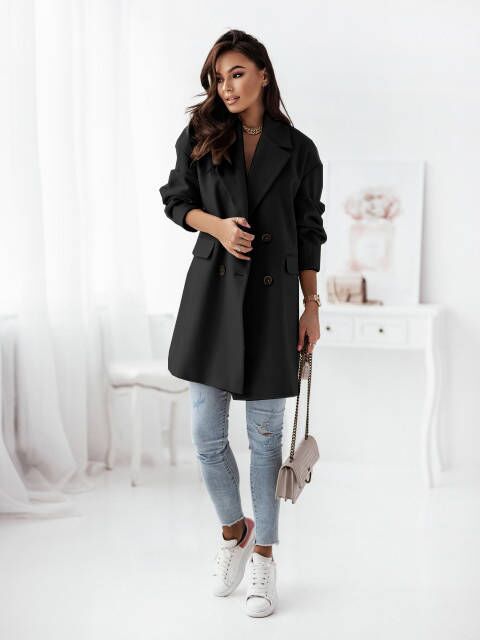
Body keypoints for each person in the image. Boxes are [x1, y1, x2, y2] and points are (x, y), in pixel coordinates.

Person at [159, 29, 327, 617]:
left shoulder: (299, 149)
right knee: (206, 437)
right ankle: (233, 531)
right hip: (211, 298)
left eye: (236, 73)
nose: (226, 87)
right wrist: (218, 227)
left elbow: (309, 229)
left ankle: (264, 557)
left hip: (273, 304)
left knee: (264, 441)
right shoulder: (202, 134)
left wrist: (311, 305)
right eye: (218, 77)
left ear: (262, 74)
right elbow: (176, 200)